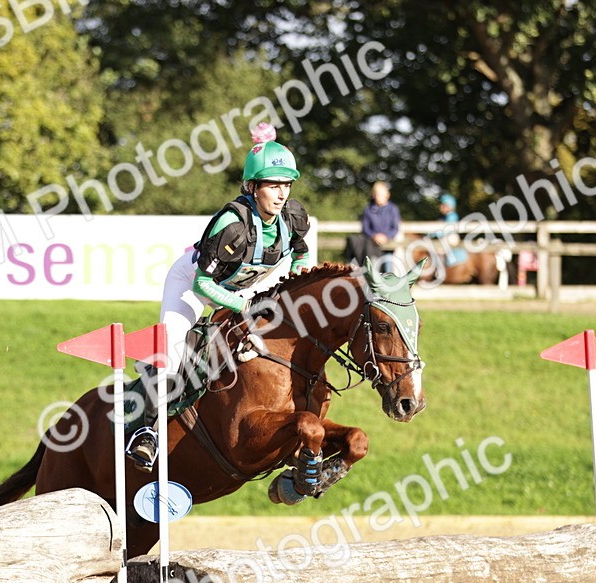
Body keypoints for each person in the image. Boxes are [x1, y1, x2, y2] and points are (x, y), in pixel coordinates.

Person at [125, 122, 312, 471]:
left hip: (244, 287)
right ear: (253, 187)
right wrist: (244, 307)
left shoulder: (293, 216)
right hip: (195, 282)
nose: (282, 193)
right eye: (274, 185)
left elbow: (300, 254)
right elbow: (203, 286)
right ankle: (146, 432)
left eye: (286, 184)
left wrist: (295, 278)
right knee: (174, 348)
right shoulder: (232, 224)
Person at [343, 181, 400, 269]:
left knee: (387, 270)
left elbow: (395, 228)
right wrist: (374, 236)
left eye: (381, 194)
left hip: (388, 243)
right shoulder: (368, 209)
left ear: (387, 195)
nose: (378, 196)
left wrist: (385, 237)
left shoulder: (393, 209)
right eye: (377, 194)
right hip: (371, 242)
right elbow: (365, 228)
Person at [432, 192, 467, 267]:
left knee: (438, 249)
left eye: (444, 205)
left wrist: (434, 233)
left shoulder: (452, 216)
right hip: (447, 236)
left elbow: (446, 230)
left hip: (450, 237)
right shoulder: (445, 216)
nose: (441, 207)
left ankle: (440, 270)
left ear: (450, 206)